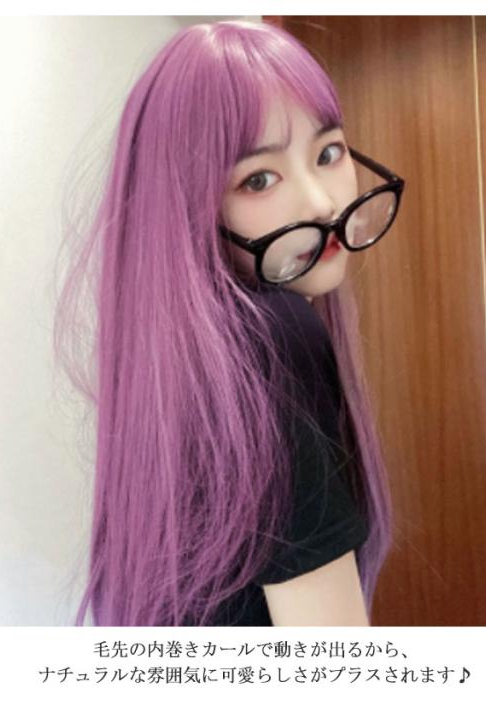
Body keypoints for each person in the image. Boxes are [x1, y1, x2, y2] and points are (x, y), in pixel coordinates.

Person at [53, 19, 404, 626]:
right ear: (190, 209)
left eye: (328, 153)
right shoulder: (274, 336)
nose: (323, 203)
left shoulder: (172, 361)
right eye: (258, 179)